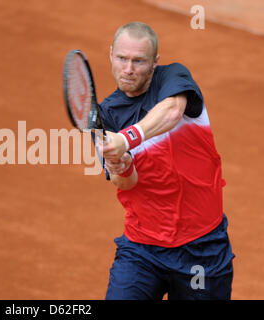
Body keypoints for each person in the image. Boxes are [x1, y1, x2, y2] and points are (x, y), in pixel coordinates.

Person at [96, 22, 235, 300]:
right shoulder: (106, 115)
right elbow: (127, 183)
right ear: (111, 54)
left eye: (139, 61)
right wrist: (120, 165)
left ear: (154, 63)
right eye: (122, 58)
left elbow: (172, 112)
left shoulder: (173, 77)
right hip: (142, 249)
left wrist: (125, 140)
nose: (129, 69)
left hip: (202, 250)